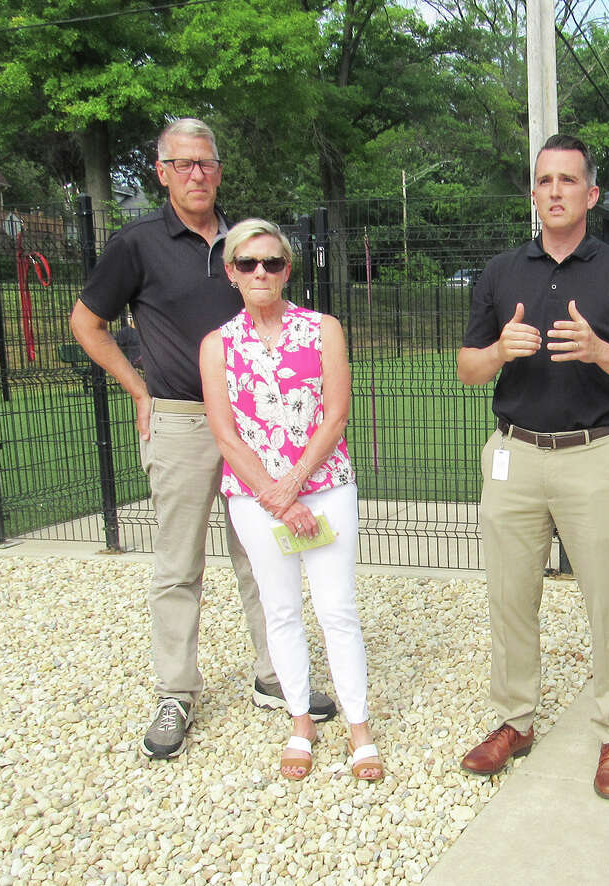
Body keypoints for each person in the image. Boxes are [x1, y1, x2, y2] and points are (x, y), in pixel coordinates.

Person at [70, 118, 335, 760]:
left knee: (261, 553)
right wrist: (139, 390)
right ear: (160, 173)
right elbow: (87, 321)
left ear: (219, 170)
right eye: (183, 164)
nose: (196, 174)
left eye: (206, 164)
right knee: (178, 562)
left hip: (255, 425)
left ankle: (274, 674)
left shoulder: (245, 243)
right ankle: (176, 692)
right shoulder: (137, 244)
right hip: (185, 421)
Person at [456, 134, 609, 800]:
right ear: (533, 192)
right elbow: (466, 369)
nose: (554, 191)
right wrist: (499, 350)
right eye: (544, 180)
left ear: (591, 194)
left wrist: (601, 350)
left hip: (590, 456)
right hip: (514, 455)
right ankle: (516, 721)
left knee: (608, 603)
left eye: (568, 180)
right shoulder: (500, 273)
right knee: (511, 600)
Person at [199, 219, 382, 781]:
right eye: (249, 264)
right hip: (256, 498)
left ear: (287, 270)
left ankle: (358, 727)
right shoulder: (216, 346)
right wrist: (277, 500)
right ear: (231, 272)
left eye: (272, 263)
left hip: (324, 487)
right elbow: (225, 433)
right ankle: (300, 720)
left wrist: (294, 485)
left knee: (337, 609)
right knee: (279, 611)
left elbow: (336, 414)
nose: (261, 273)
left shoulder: (323, 329)